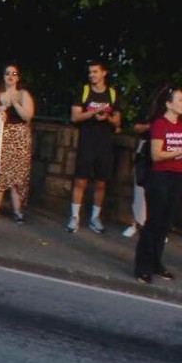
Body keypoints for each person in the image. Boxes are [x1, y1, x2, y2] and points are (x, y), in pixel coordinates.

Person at [134, 86, 182, 284]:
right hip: (160, 177)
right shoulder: (160, 124)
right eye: (179, 100)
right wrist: (178, 151)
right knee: (153, 222)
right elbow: (156, 155)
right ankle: (142, 267)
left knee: (165, 224)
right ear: (169, 104)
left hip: (177, 177)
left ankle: (156, 263)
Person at [68, 61, 122, 234]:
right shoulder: (84, 92)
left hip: (104, 144)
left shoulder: (112, 94)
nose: (92, 75)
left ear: (103, 73)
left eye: (95, 72)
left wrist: (106, 116)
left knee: (101, 182)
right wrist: (92, 113)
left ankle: (95, 217)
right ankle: (74, 216)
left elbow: (118, 121)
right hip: (87, 142)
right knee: (80, 180)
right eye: (90, 72)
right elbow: (75, 117)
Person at [0, 64, 35, 222]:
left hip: (19, 137)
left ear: (18, 77)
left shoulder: (23, 93)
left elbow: (28, 116)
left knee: (17, 173)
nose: (10, 76)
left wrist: (16, 104)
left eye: (14, 73)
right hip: (2, 135)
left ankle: (18, 211)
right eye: (7, 73)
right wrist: (2, 107)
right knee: (0, 171)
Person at [125, 119, 151, 238]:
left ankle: (157, 228)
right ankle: (135, 222)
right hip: (146, 147)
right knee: (139, 188)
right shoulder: (153, 105)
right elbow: (136, 127)